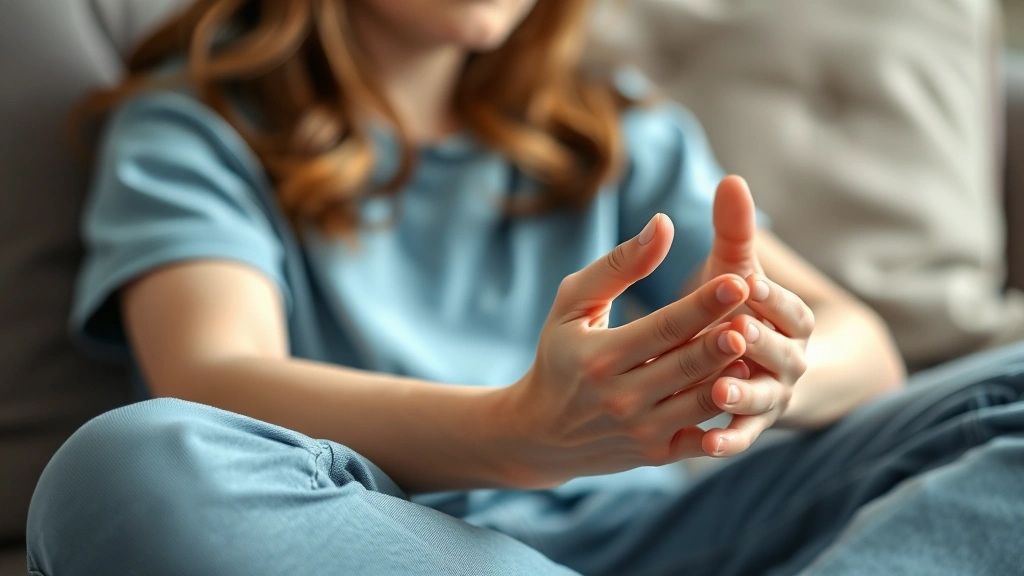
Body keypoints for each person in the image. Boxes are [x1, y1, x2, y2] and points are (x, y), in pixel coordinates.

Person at [25, 1, 1024, 574]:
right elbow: (212, 373)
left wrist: (763, 372)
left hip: (687, 531)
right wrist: (524, 429)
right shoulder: (195, 130)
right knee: (125, 466)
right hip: (390, 542)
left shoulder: (614, 131)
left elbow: (864, 347)